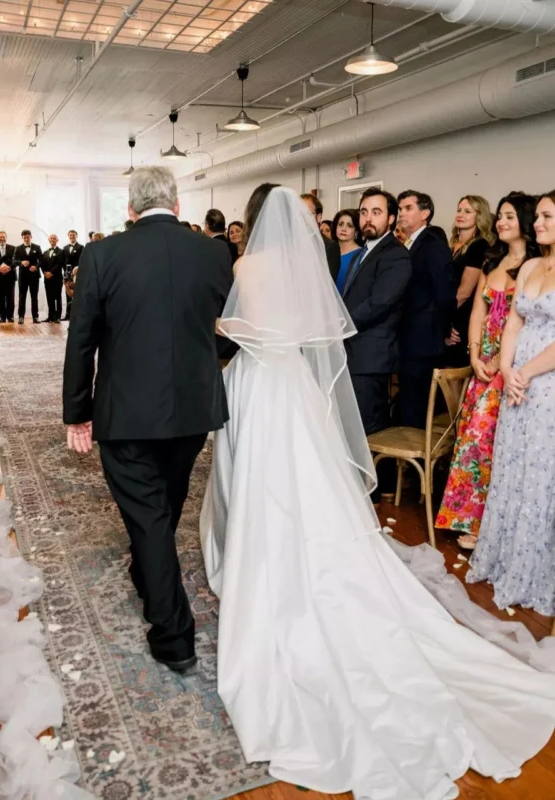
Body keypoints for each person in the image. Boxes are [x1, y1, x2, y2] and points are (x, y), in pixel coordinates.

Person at [200, 183, 555, 799]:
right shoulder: (305, 266)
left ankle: (261, 557)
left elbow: (245, 330)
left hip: (260, 381)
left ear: (251, 223)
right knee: (305, 475)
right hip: (295, 388)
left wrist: (219, 321)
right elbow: (317, 329)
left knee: (260, 470)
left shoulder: (246, 264)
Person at [63, 166, 232, 672]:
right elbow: (226, 330)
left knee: (151, 517)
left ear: (130, 210)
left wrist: (77, 413)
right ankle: (148, 571)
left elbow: (82, 339)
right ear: (177, 205)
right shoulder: (213, 252)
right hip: (192, 410)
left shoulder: (102, 254)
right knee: (165, 503)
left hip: (127, 412)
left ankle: (174, 635)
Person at [466, 190, 555, 615]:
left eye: (546, 216)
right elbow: (514, 322)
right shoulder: (533, 265)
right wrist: (506, 368)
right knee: (511, 467)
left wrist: (528, 371)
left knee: (540, 474)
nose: (537, 223)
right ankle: (505, 559)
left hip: (546, 382)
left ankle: (535, 568)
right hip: (516, 381)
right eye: (536, 216)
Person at [437, 192, 538, 550]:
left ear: (524, 221)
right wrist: (477, 354)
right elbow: (478, 313)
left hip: (514, 362)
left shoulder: (536, 264)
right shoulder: (491, 260)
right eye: (500, 217)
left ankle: (490, 524)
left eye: (510, 217)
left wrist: (498, 361)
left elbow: (527, 321)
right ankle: (469, 518)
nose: (502, 223)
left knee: (492, 442)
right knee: (472, 439)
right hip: (482, 363)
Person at [342, 187, 411, 437]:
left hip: (371, 356)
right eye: (364, 212)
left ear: (391, 218)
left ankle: (374, 478)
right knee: (350, 428)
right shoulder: (361, 253)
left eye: (376, 212)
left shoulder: (395, 255)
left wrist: (339, 323)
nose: (368, 218)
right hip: (352, 352)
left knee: (368, 430)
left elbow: (379, 303)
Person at [397, 190, 456, 428]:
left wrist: (444, 329)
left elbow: (444, 292)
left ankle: (416, 461)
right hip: (408, 335)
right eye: (400, 208)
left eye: (408, 208)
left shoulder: (432, 245)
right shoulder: (408, 244)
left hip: (424, 337)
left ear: (425, 213)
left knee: (417, 403)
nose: (402, 213)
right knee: (408, 399)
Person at [445, 195, 495, 366]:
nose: (461, 214)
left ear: (479, 216)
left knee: (454, 373)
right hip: (449, 312)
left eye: (468, 211)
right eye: (459, 210)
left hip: (462, 316)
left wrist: (444, 320)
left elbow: (465, 292)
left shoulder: (479, 245)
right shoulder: (452, 245)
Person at [300, 193, 340, 281]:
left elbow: (328, 283)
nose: (301, 218)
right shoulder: (290, 243)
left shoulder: (329, 247)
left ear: (318, 217)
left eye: (306, 214)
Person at [13, 229, 42, 324]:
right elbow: (14, 261)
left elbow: (41, 261)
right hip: (23, 277)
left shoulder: (37, 247)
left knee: (34, 297)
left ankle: (36, 317)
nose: (26, 238)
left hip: (34, 276)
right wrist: (21, 262)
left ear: (31, 237)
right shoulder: (18, 248)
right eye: (24, 237)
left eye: (28, 237)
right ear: (22, 238)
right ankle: (21, 317)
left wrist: (36, 266)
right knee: (22, 297)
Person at [331, 208, 363, 293]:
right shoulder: (329, 251)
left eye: (350, 226)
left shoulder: (361, 255)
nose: (344, 229)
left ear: (356, 232)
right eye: (340, 224)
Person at [61, 230, 83, 321]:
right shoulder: (65, 248)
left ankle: (77, 314)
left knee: (77, 293)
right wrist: (66, 272)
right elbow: (62, 261)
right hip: (67, 273)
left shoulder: (81, 247)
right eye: (70, 235)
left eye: (73, 235)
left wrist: (76, 271)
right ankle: (68, 314)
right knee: (68, 293)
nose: (72, 236)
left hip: (77, 273)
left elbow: (82, 260)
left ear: (76, 236)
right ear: (68, 236)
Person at [41, 234, 63, 323]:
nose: (52, 240)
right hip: (47, 278)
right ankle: (51, 316)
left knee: (57, 297)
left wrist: (51, 273)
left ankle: (58, 317)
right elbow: (42, 264)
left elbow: (59, 264)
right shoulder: (45, 252)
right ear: (48, 240)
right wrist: (45, 273)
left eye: (54, 238)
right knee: (49, 297)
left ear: (57, 240)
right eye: (51, 238)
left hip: (57, 278)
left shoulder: (61, 251)